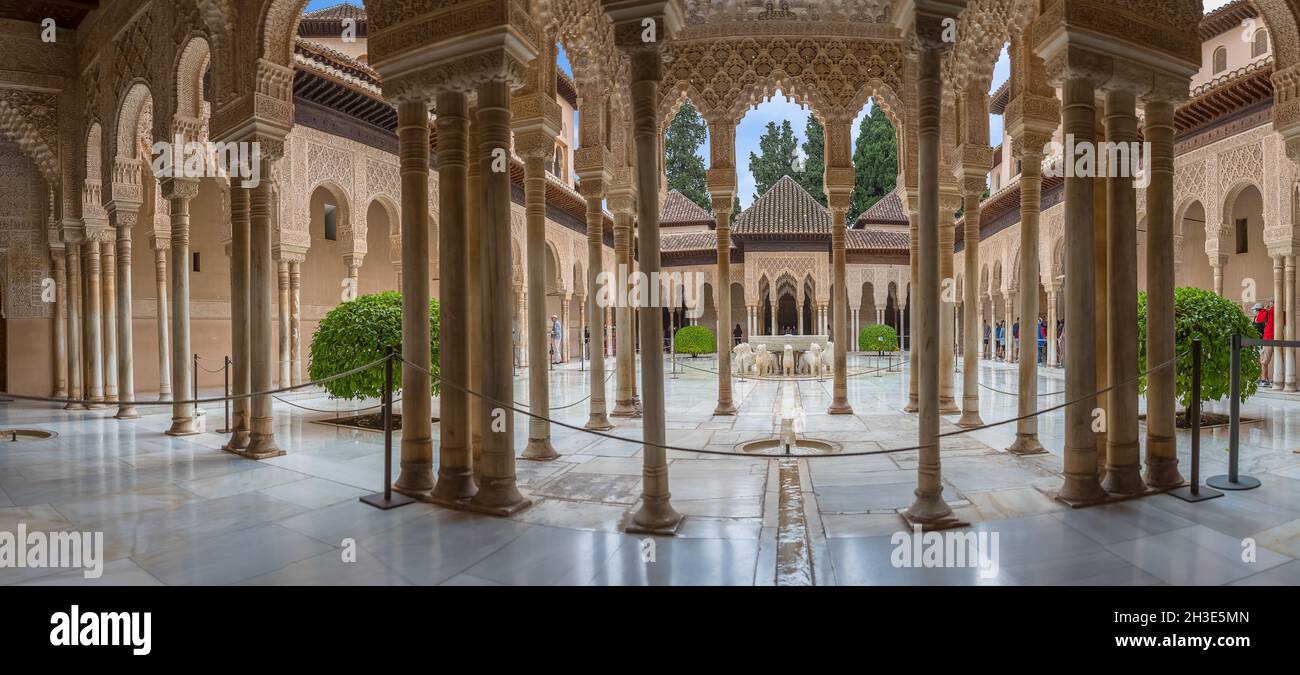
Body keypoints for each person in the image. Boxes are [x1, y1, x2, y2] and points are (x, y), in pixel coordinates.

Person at [1261, 300, 1276, 386]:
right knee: (1279, 359)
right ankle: (1276, 379)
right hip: (1279, 337)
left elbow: (1258, 319)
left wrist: (1264, 310)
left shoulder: (1269, 311)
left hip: (1268, 338)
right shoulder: (1282, 312)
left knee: (1264, 361)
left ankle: (1263, 380)